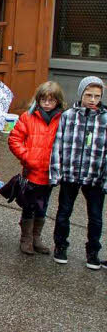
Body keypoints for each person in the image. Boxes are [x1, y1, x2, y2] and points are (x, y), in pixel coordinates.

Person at [49, 76, 107, 269]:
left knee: (96, 216)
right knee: (64, 212)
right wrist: (56, 172)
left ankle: (93, 252)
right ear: (81, 94)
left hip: (95, 175)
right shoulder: (68, 116)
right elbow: (58, 144)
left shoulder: (105, 119)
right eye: (88, 95)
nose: (92, 100)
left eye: (97, 96)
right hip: (71, 173)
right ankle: (60, 246)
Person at [8, 81, 64, 255]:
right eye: (44, 100)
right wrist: (28, 157)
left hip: (49, 173)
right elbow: (14, 139)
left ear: (58, 102)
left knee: (43, 206)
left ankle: (36, 236)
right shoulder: (28, 117)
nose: (47, 104)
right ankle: (26, 238)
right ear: (38, 100)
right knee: (29, 205)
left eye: (51, 101)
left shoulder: (62, 119)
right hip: (32, 171)